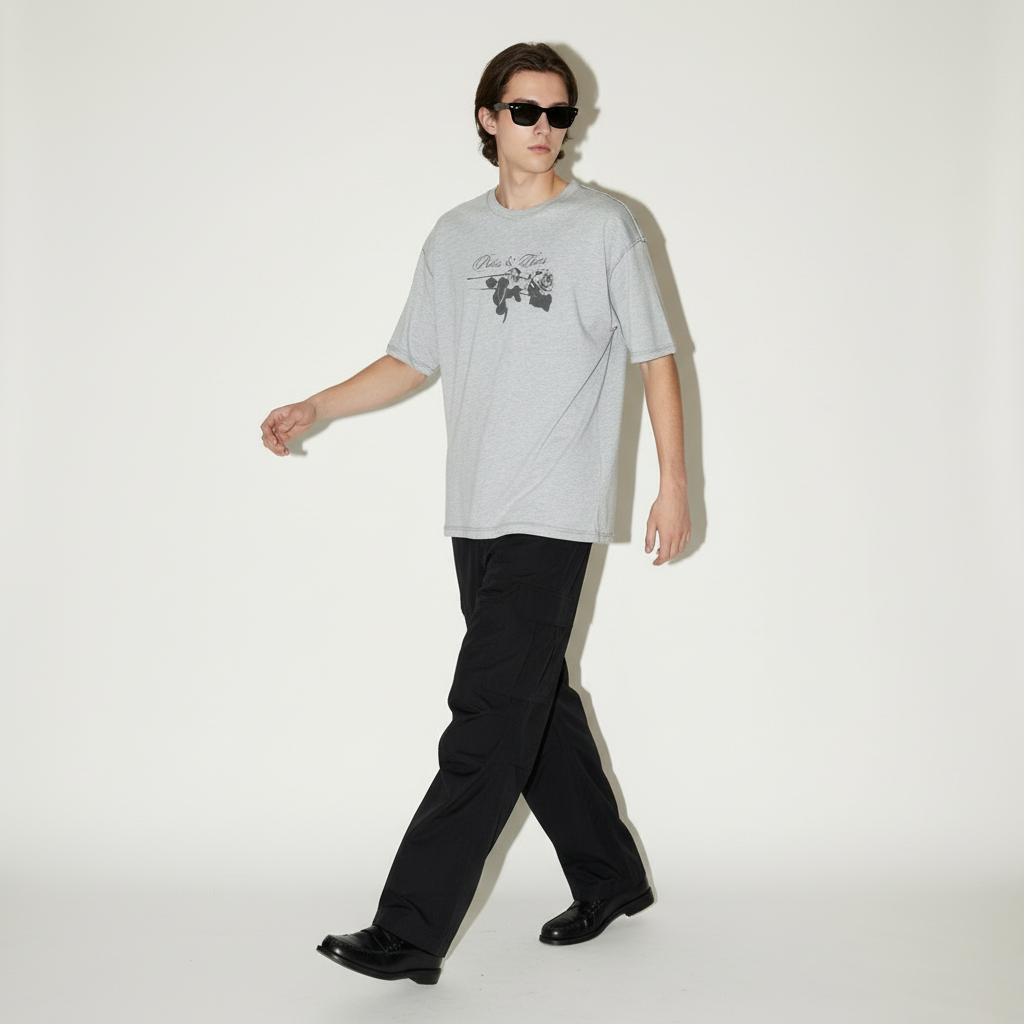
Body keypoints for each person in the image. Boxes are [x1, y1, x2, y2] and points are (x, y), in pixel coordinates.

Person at [260, 42, 690, 986]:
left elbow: (655, 354)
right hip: (475, 512)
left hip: (555, 511)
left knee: (487, 715)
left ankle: (410, 930)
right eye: (526, 111)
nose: (546, 129)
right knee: (535, 704)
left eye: (560, 113)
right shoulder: (453, 236)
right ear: (489, 119)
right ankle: (612, 877)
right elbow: (412, 358)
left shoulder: (605, 226)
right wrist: (318, 404)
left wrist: (673, 482)